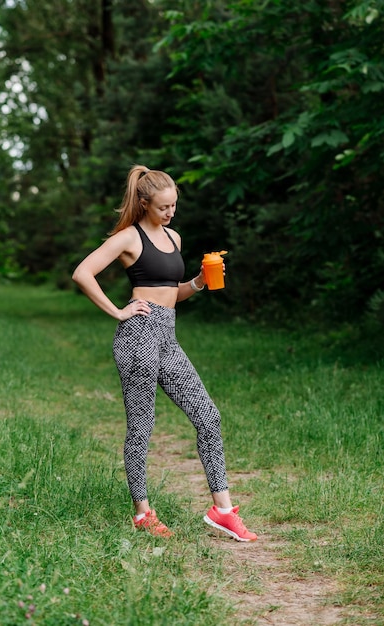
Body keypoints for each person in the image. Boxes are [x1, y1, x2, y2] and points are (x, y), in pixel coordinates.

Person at [72, 165, 258, 542]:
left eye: (174, 205)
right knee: (141, 428)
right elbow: (82, 273)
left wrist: (199, 283)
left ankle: (222, 511)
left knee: (208, 415)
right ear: (144, 204)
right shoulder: (128, 238)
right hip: (138, 335)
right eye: (163, 207)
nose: (170, 213)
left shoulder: (174, 237)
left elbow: (172, 292)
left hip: (168, 338)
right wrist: (119, 310)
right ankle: (142, 513)